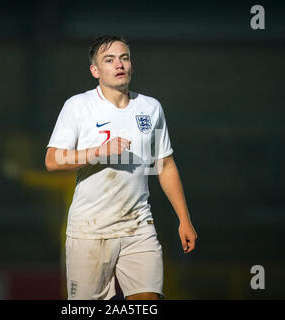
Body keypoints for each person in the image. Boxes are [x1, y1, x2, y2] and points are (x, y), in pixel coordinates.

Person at [45, 35, 197, 300]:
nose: (119, 64)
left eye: (124, 58)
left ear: (131, 65)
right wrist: (98, 153)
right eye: (109, 59)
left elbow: (165, 165)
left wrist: (184, 219)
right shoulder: (78, 106)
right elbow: (53, 160)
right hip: (90, 230)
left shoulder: (150, 108)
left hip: (139, 226)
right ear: (95, 70)